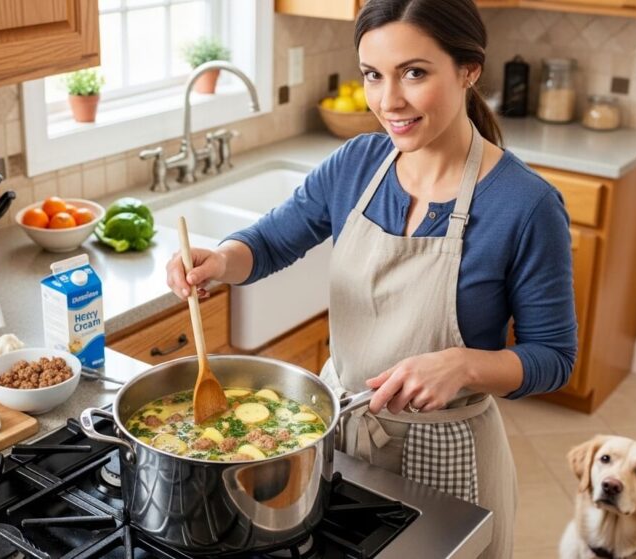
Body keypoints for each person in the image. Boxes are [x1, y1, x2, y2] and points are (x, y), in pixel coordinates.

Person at [166, 0, 577, 555]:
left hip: (446, 455)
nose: (389, 102)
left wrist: (464, 365)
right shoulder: (357, 163)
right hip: (336, 436)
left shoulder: (525, 205)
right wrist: (221, 260)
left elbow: (553, 357)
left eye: (414, 73)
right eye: (373, 76)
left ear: (469, 70)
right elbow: (268, 242)